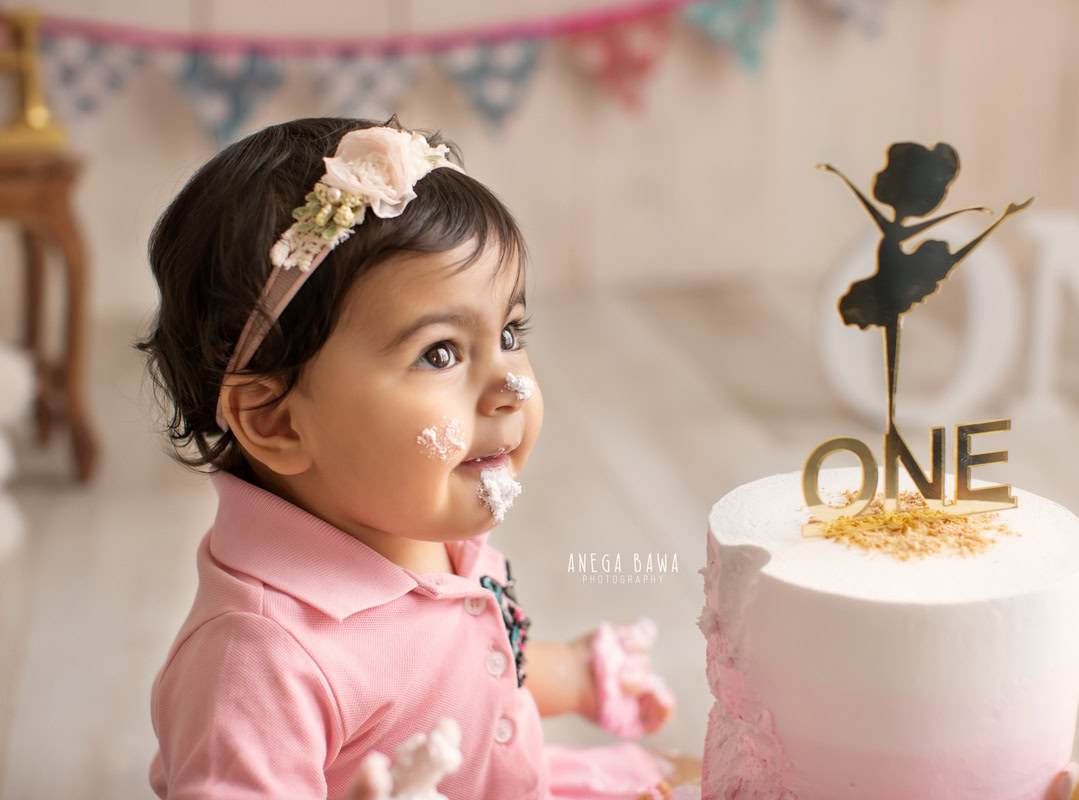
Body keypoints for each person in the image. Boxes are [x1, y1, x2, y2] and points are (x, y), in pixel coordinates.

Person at [136, 116, 682, 800]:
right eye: (440, 353)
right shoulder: (259, 657)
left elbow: (456, 674)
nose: (512, 387)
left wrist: (572, 674)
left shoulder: (419, 524)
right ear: (276, 420)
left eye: (510, 334)